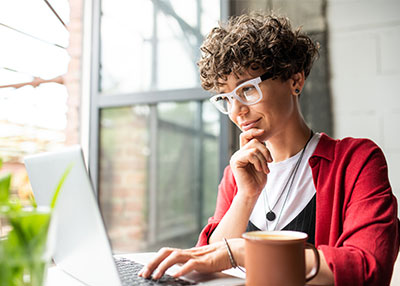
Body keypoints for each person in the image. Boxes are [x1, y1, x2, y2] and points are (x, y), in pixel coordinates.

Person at [138, 12, 400, 285]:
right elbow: (208, 261)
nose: (237, 111)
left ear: (295, 81)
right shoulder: (236, 174)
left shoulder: (356, 162)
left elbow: (368, 268)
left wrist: (244, 251)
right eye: (226, 98)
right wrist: (246, 196)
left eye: (248, 90)